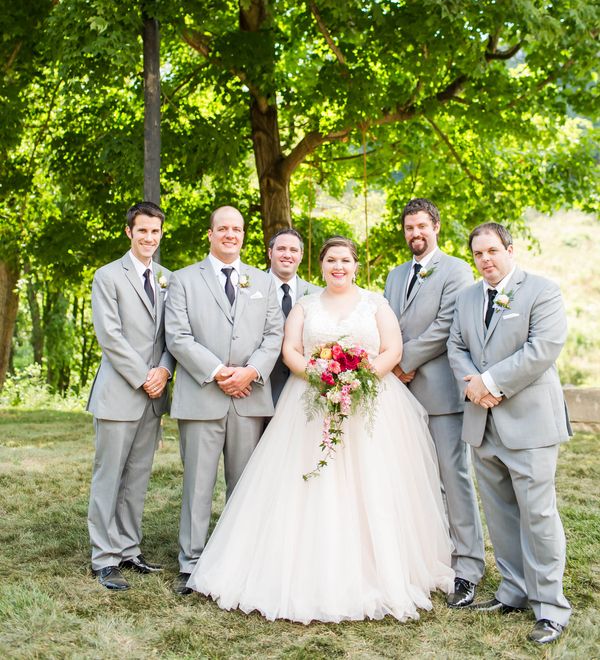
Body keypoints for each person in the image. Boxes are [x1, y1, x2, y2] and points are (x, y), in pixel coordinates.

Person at [187, 236, 454, 623]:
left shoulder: (376, 303)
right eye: (331, 260)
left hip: (369, 403)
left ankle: (381, 569)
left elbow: (393, 350)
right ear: (322, 265)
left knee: (373, 485)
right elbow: (290, 350)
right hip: (310, 402)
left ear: (356, 265)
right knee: (305, 480)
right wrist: (318, 373)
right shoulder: (305, 306)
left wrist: (359, 379)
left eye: (345, 259)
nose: (338, 266)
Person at [448, 222, 572, 646]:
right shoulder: (466, 298)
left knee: (537, 515)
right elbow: (455, 345)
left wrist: (490, 382)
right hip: (482, 422)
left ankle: (550, 607)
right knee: (499, 512)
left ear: (509, 249)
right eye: (478, 254)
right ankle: (514, 591)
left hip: (530, 423)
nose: (485, 260)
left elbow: (543, 348)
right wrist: (471, 384)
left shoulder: (542, 291)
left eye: (492, 251)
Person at [165, 206, 283, 595]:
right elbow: (178, 337)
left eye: (237, 229)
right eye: (223, 229)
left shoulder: (263, 282)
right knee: (198, 484)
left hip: (250, 397)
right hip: (202, 396)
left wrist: (250, 372)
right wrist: (219, 373)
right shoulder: (182, 280)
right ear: (211, 234)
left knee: (245, 484)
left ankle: (239, 559)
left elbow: (273, 336)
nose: (231, 234)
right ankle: (192, 562)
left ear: (244, 235)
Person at [384, 198, 485, 609]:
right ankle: (428, 558)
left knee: (452, 478)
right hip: (399, 396)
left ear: (436, 226)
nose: (415, 234)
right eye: (409, 228)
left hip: (440, 393)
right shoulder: (393, 275)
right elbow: (386, 322)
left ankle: (468, 567)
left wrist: (402, 361)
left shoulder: (457, 270)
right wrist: (389, 364)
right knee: (413, 479)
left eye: (422, 226)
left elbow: (446, 326)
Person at [87, 201, 173, 591]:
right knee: (110, 476)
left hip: (154, 395)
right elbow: (110, 337)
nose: (149, 238)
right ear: (129, 232)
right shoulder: (107, 277)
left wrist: (165, 371)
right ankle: (103, 558)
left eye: (155, 232)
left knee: (137, 476)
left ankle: (128, 549)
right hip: (120, 392)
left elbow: (176, 334)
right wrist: (143, 377)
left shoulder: (169, 278)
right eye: (143, 231)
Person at [267, 227, 320, 405]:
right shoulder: (251, 289)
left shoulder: (317, 295)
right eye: (281, 249)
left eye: (293, 250)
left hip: (305, 391)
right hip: (260, 389)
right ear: (270, 253)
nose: (287, 255)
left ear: (301, 255)